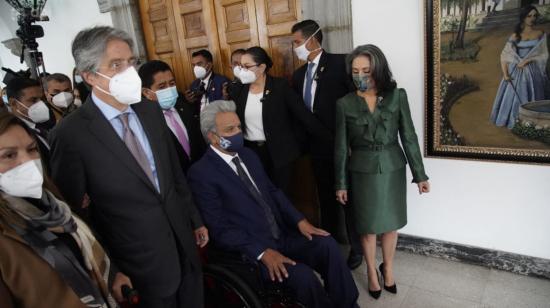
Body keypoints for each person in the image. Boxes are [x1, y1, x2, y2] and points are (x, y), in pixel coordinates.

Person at [49, 26, 207, 308]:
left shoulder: (150, 110)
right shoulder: (71, 134)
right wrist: (109, 269)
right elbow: (75, 216)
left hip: (184, 246)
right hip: (138, 267)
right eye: (116, 65)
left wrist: (194, 220)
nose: (129, 71)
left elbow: (174, 175)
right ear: (88, 76)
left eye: (131, 62)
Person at [187, 100, 359, 308]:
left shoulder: (248, 155)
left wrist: (300, 221)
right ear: (213, 137)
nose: (238, 133)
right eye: (230, 129)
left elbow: (273, 192)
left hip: (281, 234)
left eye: (239, 127)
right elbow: (220, 229)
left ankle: (348, 304)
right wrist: (262, 252)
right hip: (250, 252)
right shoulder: (201, 174)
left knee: (327, 245)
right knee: (304, 278)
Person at [0, 111, 132, 307]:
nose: (27, 162)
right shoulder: (6, 235)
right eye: (9, 155)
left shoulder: (53, 203)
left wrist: (112, 275)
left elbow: (83, 250)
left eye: (32, 149)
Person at [334, 44, 430, 299]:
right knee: (367, 227)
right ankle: (372, 274)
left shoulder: (397, 96)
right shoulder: (344, 104)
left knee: (390, 225)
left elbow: (409, 137)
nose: (360, 75)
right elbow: (341, 147)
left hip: (392, 167)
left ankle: (388, 269)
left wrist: (420, 175)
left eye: (366, 70)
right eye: (355, 71)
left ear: (378, 70)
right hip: (362, 171)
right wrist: (341, 183)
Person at [291, 20, 363, 269]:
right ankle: (331, 244)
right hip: (317, 149)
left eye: (297, 42)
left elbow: (357, 103)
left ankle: (357, 248)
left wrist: (354, 140)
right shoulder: (298, 74)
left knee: (351, 199)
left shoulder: (341, 63)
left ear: (311, 39)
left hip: (344, 146)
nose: (295, 48)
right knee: (325, 197)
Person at [229, 46, 329, 195]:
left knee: (281, 196)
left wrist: (329, 138)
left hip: (280, 153)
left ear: (261, 67)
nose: (242, 70)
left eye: (246, 66)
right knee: (259, 196)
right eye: (240, 66)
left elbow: (303, 115)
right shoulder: (238, 89)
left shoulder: (280, 87)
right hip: (251, 153)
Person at [139, 59, 206, 173]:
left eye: (172, 83)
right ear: (147, 93)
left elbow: (200, 143)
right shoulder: (143, 123)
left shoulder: (184, 106)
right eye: (161, 86)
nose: (169, 89)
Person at [490, 5, 548, 129]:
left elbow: (544, 54)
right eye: (529, 16)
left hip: (533, 72)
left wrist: (528, 60)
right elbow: (504, 55)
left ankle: (532, 124)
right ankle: (514, 122)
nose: (532, 18)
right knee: (514, 99)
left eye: (535, 16)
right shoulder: (515, 36)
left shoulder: (540, 34)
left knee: (534, 98)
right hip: (516, 72)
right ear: (523, 18)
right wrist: (505, 74)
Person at [5, 77, 52, 173]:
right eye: (33, 100)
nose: (41, 104)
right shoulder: (11, 136)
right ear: (13, 103)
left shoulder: (41, 126)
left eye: (41, 99)